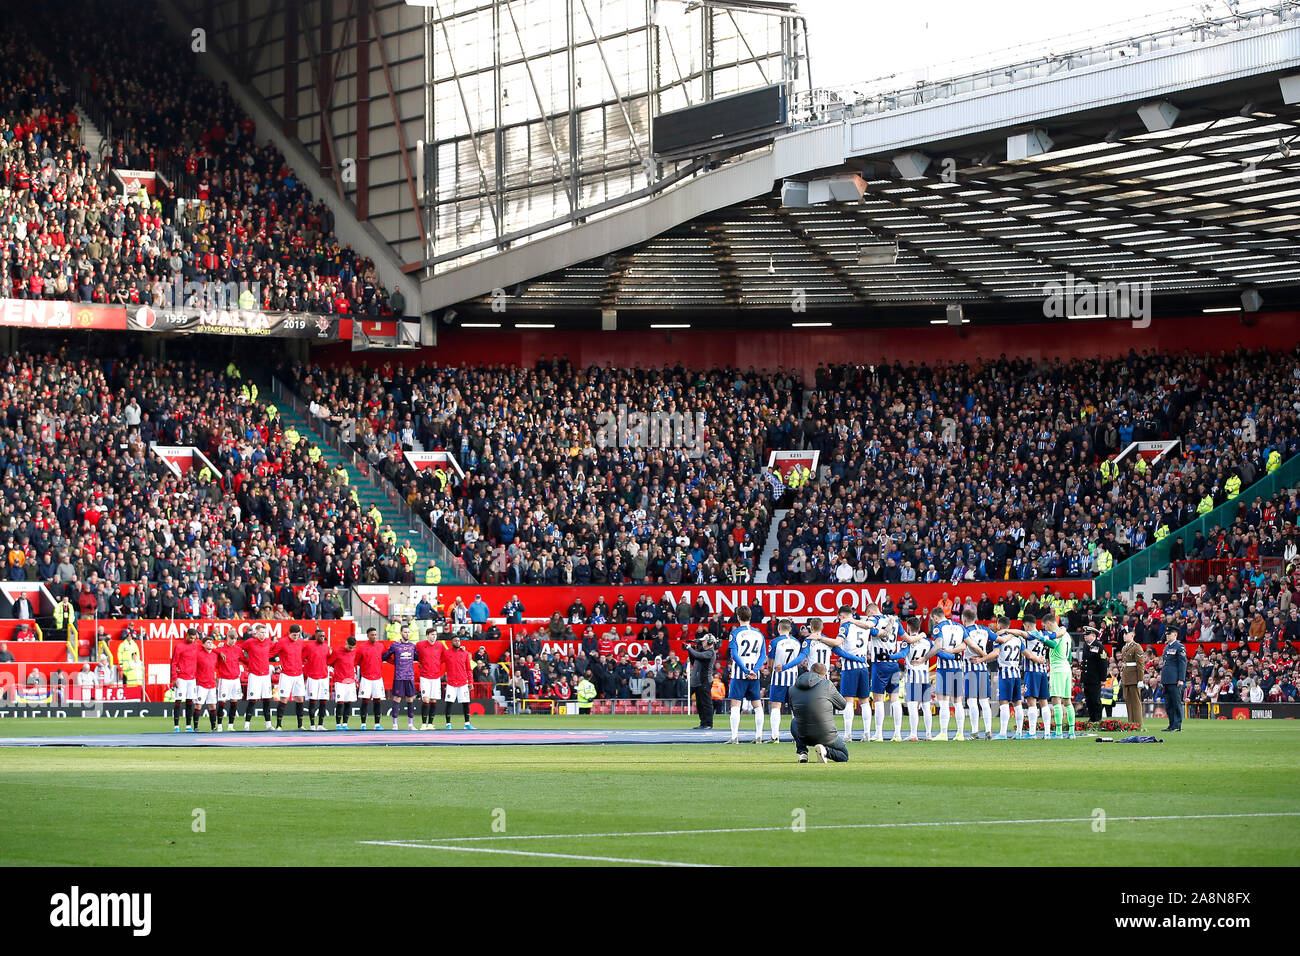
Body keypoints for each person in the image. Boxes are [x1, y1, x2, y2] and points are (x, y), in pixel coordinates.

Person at [788, 663, 850, 763]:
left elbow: (794, 710)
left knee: (795, 721)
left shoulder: (792, 688)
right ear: (823, 675)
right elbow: (842, 705)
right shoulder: (827, 684)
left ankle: (802, 752)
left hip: (804, 736)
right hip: (826, 735)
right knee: (844, 755)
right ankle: (825, 751)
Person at [725, 606, 767, 744]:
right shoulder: (759, 634)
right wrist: (754, 670)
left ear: (738, 617)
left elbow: (734, 655)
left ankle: (734, 737)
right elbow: (763, 656)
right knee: (757, 705)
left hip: (739, 674)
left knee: (735, 705)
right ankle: (759, 736)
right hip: (754, 674)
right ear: (750, 616)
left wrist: (745, 670)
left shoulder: (735, 633)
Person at [834, 605, 876, 742]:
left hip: (850, 667)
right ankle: (867, 734)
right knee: (864, 701)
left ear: (842, 615)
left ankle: (848, 735)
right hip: (863, 666)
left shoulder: (845, 626)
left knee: (849, 701)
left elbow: (838, 643)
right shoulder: (863, 625)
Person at [891, 615, 936, 740]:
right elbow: (938, 651)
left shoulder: (907, 642)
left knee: (912, 706)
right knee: (926, 706)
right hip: (925, 677)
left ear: (908, 627)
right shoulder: (928, 642)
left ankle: (913, 734)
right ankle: (928, 734)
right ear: (919, 627)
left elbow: (901, 654)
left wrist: (889, 657)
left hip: (912, 677)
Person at [929, 608, 968, 741]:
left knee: (944, 701)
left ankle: (943, 733)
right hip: (958, 668)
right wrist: (953, 651)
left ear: (935, 617)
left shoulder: (938, 628)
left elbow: (938, 646)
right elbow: (965, 645)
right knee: (957, 702)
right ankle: (960, 734)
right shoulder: (959, 626)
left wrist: (925, 657)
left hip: (944, 669)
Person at [1037, 611, 1076, 739]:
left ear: (1049, 623)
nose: (1045, 628)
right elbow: (1070, 655)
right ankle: (1071, 732)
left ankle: (1059, 732)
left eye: (1045, 626)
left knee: (1056, 699)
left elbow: (1053, 645)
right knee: (1068, 701)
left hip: (1058, 668)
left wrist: (1042, 639)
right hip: (1066, 667)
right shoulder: (1067, 635)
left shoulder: (1057, 635)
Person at [960, 607, 998, 740]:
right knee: (984, 701)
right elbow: (998, 639)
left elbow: (964, 647)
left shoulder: (964, 631)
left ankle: (975, 732)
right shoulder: (985, 629)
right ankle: (988, 731)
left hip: (970, 669)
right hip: (983, 668)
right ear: (975, 618)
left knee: (971, 701)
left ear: (964, 619)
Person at [765, 619, 803, 743]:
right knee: (794, 708)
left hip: (778, 677)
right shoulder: (797, 642)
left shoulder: (775, 641)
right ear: (790, 629)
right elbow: (799, 661)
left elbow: (770, 662)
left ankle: (775, 737)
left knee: (776, 706)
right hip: (793, 678)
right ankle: (796, 737)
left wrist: (770, 670)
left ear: (779, 628)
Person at [991, 617, 1027, 739]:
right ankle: (1019, 733)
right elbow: (1025, 653)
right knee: (1017, 703)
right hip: (1016, 673)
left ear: (999, 626)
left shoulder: (998, 639)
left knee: (1004, 702)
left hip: (1005, 673)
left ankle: (1002, 733)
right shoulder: (1018, 639)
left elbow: (995, 653)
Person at [239, 623, 276, 731]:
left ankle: (268, 725)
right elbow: (238, 648)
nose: (263, 634)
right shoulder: (250, 642)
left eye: (265, 632)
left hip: (265, 675)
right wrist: (247, 662)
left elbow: (277, 649)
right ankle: (246, 725)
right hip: (254, 675)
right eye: (261, 632)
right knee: (252, 700)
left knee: (267, 700)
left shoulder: (268, 642)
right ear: (256, 633)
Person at [271, 624, 307, 730]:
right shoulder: (282, 642)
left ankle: (300, 725)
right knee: (284, 699)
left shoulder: (300, 642)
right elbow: (272, 652)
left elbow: (304, 654)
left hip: (298, 674)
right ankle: (279, 725)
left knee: (300, 699)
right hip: (286, 674)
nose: (296, 637)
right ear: (289, 633)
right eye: (294, 635)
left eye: (298, 635)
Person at [383, 626, 419, 730]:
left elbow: (417, 657)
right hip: (399, 676)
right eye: (405, 632)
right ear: (401, 633)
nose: (407, 634)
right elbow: (386, 656)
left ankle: (410, 724)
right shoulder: (395, 645)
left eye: (408, 632)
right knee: (397, 699)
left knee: (410, 699)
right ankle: (395, 724)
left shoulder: (413, 646)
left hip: (410, 676)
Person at [355, 627, 388, 730]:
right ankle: (363, 724)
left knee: (377, 700)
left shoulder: (381, 646)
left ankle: (377, 724)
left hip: (378, 678)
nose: (374, 636)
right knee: (365, 700)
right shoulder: (361, 647)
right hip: (366, 678)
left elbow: (387, 657)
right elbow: (357, 661)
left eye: (375, 634)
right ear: (368, 636)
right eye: (372, 635)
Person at [441, 635, 475, 729]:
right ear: (451, 642)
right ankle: (448, 724)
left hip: (463, 682)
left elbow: (469, 669)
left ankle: (467, 724)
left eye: (459, 641)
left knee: (465, 703)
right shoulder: (447, 653)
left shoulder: (465, 654)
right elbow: (438, 661)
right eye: (455, 641)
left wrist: (470, 682)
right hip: (451, 683)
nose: (458, 642)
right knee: (449, 703)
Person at [170, 628, 200, 733]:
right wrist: (174, 678)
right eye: (191, 638)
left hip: (192, 678)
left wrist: (217, 650)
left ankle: (188, 726)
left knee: (189, 701)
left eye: (194, 638)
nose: (192, 640)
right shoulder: (179, 646)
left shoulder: (196, 645)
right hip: (181, 678)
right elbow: (173, 663)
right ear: (187, 635)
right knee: (178, 700)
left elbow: (207, 647)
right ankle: (176, 726)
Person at [1079, 626, 1110, 722]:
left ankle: (1097, 719)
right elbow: (1085, 663)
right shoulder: (1086, 646)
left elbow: (1103, 663)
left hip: (1095, 678)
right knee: (1088, 700)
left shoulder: (1099, 646)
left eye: (1087, 635)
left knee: (1095, 699)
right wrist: (1082, 679)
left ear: (1093, 635)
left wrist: (1103, 679)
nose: (1085, 637)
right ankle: (1092, 718)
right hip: (1087, 678)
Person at [687, 634, 718, 729]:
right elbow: (694, 660)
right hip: (699, 681)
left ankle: (708, 723)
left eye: (704, 641)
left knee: (706, 703)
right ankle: (703, 723)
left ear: (709, 642)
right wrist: (691, 650)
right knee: (700, 703)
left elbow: (697, 655)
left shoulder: (710, 653)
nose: (702, 643)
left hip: (705, 681)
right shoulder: (704, 652)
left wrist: (690, 649)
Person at [1159, 630, 1188, 732]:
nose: (1167, 636)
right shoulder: (1166, 647)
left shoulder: (1179, 647)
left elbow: (1182, 664)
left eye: (1169, 634)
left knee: (1176, 703)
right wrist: (1163, 679)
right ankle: (1171, 725)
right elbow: (1165, 665)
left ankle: (1177, 725)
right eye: (1166, 634)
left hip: (1175, 679)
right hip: (1167, 679)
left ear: (1175, 634)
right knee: (1168, 704)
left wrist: (1181, 679)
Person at [416, 628, 445, 730]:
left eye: (435, 635)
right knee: (425, 699)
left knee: (433, 700)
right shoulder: (420, 645)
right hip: (425, 676)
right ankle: (424, 724)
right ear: (427, 635)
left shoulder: (440, 645)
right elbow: (414, 653)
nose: (434, 636)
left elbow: (446, 656)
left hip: (436, 676)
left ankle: (431, 724)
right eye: (432, 634)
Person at [304, 629, 332, 731]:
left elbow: (329, 660)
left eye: (323, 636)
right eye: (320, 636)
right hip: (313, 678)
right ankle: (312, 725)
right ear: (316, 636)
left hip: (324, 677)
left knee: (323, 701)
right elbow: (303, 658)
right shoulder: (309, 646)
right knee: (313, 701)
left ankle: (320, 725)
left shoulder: (326, 647)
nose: (322, 637)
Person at [329, 637, 360, 730]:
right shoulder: (337, 651)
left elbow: (353, 664)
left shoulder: (355, 652)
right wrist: (334, 674)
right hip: (340, 681)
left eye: (353, 648)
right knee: (340, 702)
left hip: (350, 681)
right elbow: (330, 663)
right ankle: (338, 724)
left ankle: (345, 724)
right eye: (350, 647)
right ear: (346, 643)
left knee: (348, 702)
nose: (351, 649)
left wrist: (354, 677)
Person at [1118, 629, 1147, 729]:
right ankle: (1131, 724)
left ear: (1132, 635)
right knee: (1129, 702)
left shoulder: (1136, 647)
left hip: (1134, 678)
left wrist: (1140, 679)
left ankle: (1138, 724)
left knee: (1135, 702)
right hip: (1127, 677)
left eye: (1126, 634)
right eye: (1124, 634)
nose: (1124, 636)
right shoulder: (1124, 647)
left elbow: (1140, 664)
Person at [215, 633, 244, 731]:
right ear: (227, 638)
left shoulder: (238, 649)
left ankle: (231, 725)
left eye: (235, 639)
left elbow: (244, 659)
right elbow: (211, 649)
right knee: (222, 702)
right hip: (224, 679)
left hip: (235, 679)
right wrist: (219, 651)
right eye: (232, 639)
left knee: (234, 701)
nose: (233, 641)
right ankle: (219, 725)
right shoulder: (221, 647)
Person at [193, 638, 220, 732]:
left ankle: (213, 727)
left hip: (212, 683)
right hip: (201, 683)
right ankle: (196, 727)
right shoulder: (198, 654)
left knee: (212, 706)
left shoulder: (214, 655)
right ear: (203, 645)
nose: (210, 644)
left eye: (212, 642)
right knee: (198, 705)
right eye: (208, 642)